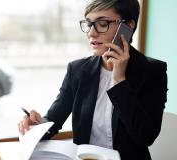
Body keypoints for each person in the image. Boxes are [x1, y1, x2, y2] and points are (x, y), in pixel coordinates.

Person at [18, 0, 168, 159]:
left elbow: (145, 136)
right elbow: (53, 120)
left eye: (102, 23)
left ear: (129, 26)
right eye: (89, 24)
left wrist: (119, 80)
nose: (91, 33)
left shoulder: (152, 71)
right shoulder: (77, 70)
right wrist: (36, 127)